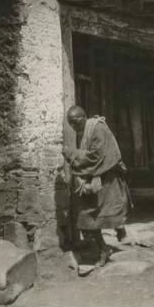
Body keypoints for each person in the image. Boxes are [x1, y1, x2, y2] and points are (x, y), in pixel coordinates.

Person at [62, 105, 131, 268]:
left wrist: (71, 154)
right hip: (96, 177)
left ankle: (110, 243)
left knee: (100, 213)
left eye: (76, 122)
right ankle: (104, 247)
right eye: (71, 124)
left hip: (107, 179)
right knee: (87, 215)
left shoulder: (97, 129)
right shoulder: (83, 130)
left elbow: (96, 157)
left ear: (84, 116)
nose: (74, 126)